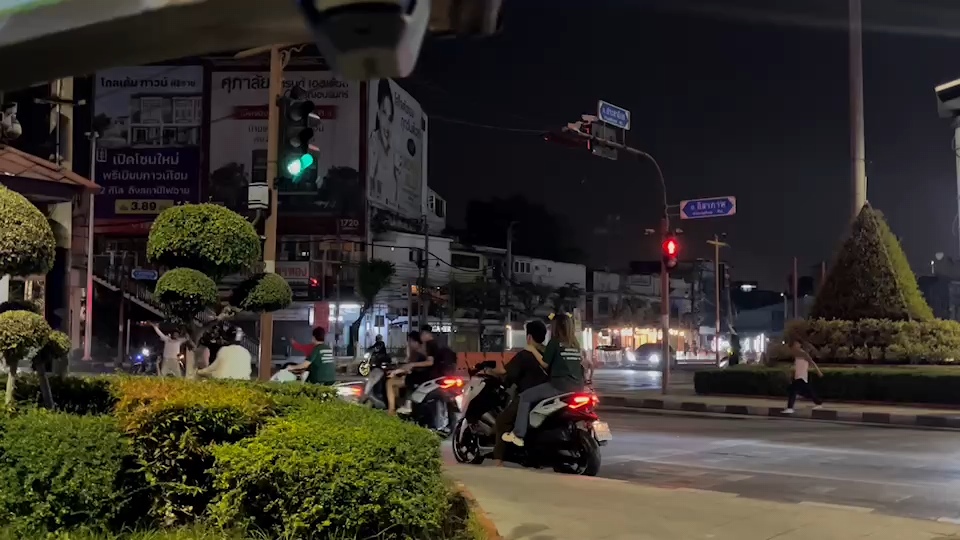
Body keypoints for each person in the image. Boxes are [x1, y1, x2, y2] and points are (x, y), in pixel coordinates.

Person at [502, 313, 585, 447]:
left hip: (559, 386)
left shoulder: (555, 342)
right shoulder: (575, 344)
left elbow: (545, 364)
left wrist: (531, 349)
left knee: (525, 397)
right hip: (578, 386)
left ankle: (518, 434)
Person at [493, 320, 549, 466]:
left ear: (529, 337)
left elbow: (506, 372)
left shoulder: (525, 355)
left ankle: (498, 460)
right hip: (549, 395)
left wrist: (490, 371)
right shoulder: (548, 353)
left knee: (502, 421)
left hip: (528, 396)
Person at [386, 331, 432, 415]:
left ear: (416, 342)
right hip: (420, 377)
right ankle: (398, 404)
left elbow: (408, 367)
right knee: (396, 382)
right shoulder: (423, 351)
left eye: (410, 341)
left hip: (416, 378)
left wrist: (395, 372)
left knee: (390, 382)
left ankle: (391, 409)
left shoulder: (416, 353)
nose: (409, 343)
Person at [783, 339, 823, 414]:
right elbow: (797, 366)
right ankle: (818, 403)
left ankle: (790, 408)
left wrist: (818, 371)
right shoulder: (797, 355)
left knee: (792, 390)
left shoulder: (803, 354)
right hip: (799, 377)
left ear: (800, 345)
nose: (795, 346)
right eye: (794, 344)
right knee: (807, 391)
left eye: (796, 344)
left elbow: (812, 362)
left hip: (802, 376)